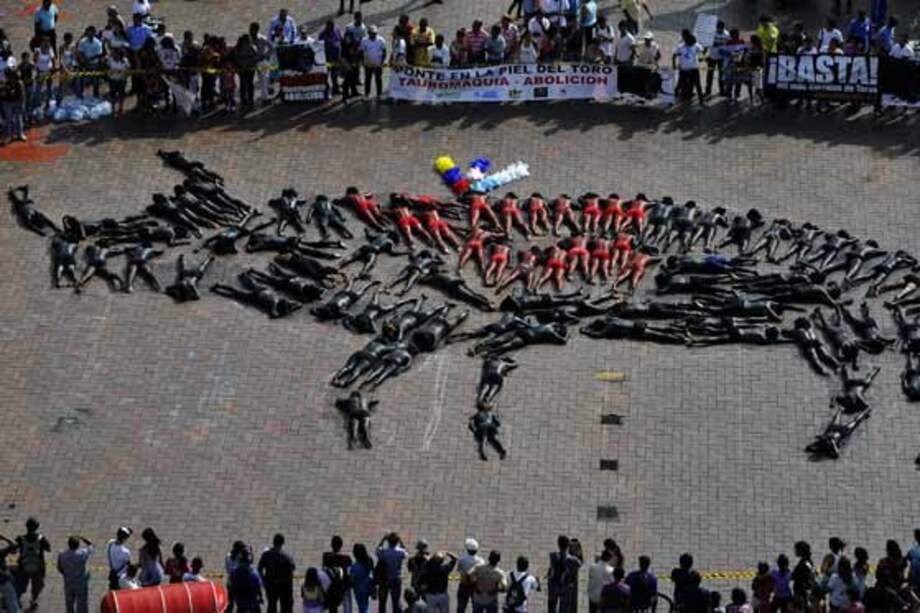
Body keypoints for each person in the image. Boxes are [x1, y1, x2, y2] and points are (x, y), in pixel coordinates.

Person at [14, 518, 51, 608]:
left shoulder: (20, 538)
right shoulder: (41, 539)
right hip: (38, 567)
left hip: (23, 566)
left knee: (21, 585)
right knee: (37, 586)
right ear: (36, 527)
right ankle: (33, 600)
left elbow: (14, 549)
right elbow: (48, 548)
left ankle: (15, 600)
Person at [258, 534, 295, 613]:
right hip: (283, 586)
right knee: (285, 607)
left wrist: (263, 581)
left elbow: (259, 568)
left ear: (273, 542)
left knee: (271, 605)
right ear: (282, 543)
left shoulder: (266, 555)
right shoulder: (287, 557)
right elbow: (292, 570)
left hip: (270, 585)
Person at [57, 535, 93, 613]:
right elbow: (90, 546)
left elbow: (59, 568)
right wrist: (83, 538)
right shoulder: (82, 553)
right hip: (80, 582)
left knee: (69, 602)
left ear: (68, 544)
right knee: (81, 602)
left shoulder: (62, 555)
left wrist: (66, 574)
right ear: (78, 545)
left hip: (68, 582)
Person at [547, 536, 581, 613]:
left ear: (558, 545)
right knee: (564, 608)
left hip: (554, 585)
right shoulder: (572, 559)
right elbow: (579, 564)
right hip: (565, 586)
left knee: (552, 607)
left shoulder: (553, 556)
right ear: (568, 546)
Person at [377, 533, 408, 613]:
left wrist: (383, 540)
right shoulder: (400, 552)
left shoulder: (384, 552)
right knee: (396, 602)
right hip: (396, 579)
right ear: (397, 541)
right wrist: (401, 541)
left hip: (384, 579)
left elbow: (377, 551)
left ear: (388, 541)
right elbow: (405, 552)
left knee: (382, 602)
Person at [673, 29, 704, 104]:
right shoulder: (680, 47)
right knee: (680, 83)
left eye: (693, 43)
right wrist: (674, 65)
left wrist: (702, 58)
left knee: (698, 84)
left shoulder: (696, 45)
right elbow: (674, 56)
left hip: (694, 69)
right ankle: (673, 98)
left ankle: (701, 100)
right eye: (690, 43)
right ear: (686, 41)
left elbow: (702, 51)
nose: (692, 44)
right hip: (684, 70)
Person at [321, 536, 351, 613]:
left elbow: (324, 569)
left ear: (331, 545)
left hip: (331, 586)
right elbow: (348, 573)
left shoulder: (326, 556)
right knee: (347, 604)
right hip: (343, 586)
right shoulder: (347, 558)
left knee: (332, 607)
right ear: (341, 545)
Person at [231, 548, 264, 613]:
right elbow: (258, 587)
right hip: (253, 603)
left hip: (240, 603)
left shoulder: (234, 572)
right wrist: (260, 597)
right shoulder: (254, 572)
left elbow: (232, 587)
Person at [0, 68, 26, 145]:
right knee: (9, 120)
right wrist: (5, 91)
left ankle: (20, 134)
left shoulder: (19, 83)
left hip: (17, 102)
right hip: (7, 103)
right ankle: (8, 136)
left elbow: (22, 96)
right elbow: (2, 95)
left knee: (19, 118)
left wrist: (22, 104)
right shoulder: (4, 84)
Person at [458, 539, 485, 613]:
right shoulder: (481, 561)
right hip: (475, 586)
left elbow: (459, 570)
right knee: (476, 606)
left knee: (461, 606)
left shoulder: (462, 559)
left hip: (464, 585)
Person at [360, 25, 386, 98]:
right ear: (368, 33)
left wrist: (382, 62)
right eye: (372, 33)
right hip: (368, 63)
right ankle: (367, 94)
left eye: (374, 33)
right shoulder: (364, 40)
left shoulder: (381, 40)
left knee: (378, 79)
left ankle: (379, 94)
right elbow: (361, 52)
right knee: (368, 79)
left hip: (378, 63)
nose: (373, 35)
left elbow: (384, 51)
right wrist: (363, 62)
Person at [349, 544, 375, 613]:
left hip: (359, 590)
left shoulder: (355, 567)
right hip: (367, 587)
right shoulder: (368, 562)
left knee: (362, 608)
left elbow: (351, 580)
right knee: (365, 606)